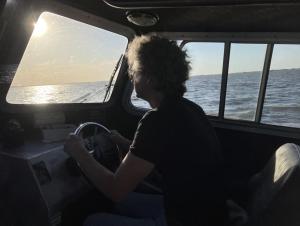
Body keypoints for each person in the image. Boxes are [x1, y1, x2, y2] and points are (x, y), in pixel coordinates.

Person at [64, 35, 228, 226]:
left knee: (92, 221)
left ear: (149, 78)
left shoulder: (157, 120)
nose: (131, 75)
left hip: (184, 219)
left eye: (134, 70)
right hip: (207, 212)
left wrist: (79, 152)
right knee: (119, 203)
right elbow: (166, 155)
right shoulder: (190, 109)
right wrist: (125, 143)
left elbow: (116, 189)